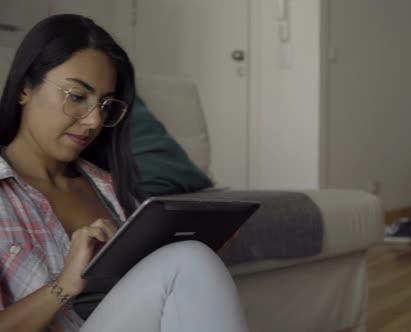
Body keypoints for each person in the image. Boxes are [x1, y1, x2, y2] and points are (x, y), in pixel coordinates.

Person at [0, 14, 248, 332]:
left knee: (191, 257)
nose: (94, 121)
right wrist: (63, 285)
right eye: (77, 97)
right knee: (189, 260)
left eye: (105, 105)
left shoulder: (106, 185)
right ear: (24, 88)